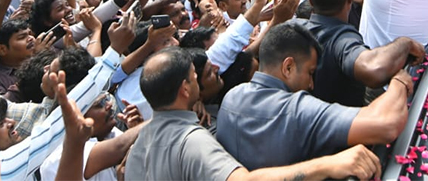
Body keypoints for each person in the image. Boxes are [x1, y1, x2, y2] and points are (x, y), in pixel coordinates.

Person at [123, 47, 381, 181]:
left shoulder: (137, 149)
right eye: (194, 75)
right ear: (185, 89)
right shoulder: (192, 141)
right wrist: (328, 165)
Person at [216, 21, 410, 169]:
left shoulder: (230, 98)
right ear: (288, 67)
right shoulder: (297, 109)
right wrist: (399, 81)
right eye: (310, 72)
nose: (311, 84)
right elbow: (386, 124)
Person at [303, 0, 424, 107]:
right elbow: (374, 70)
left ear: (310, 0)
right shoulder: (343, 41)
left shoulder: (292, 28)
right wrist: (405, 43)